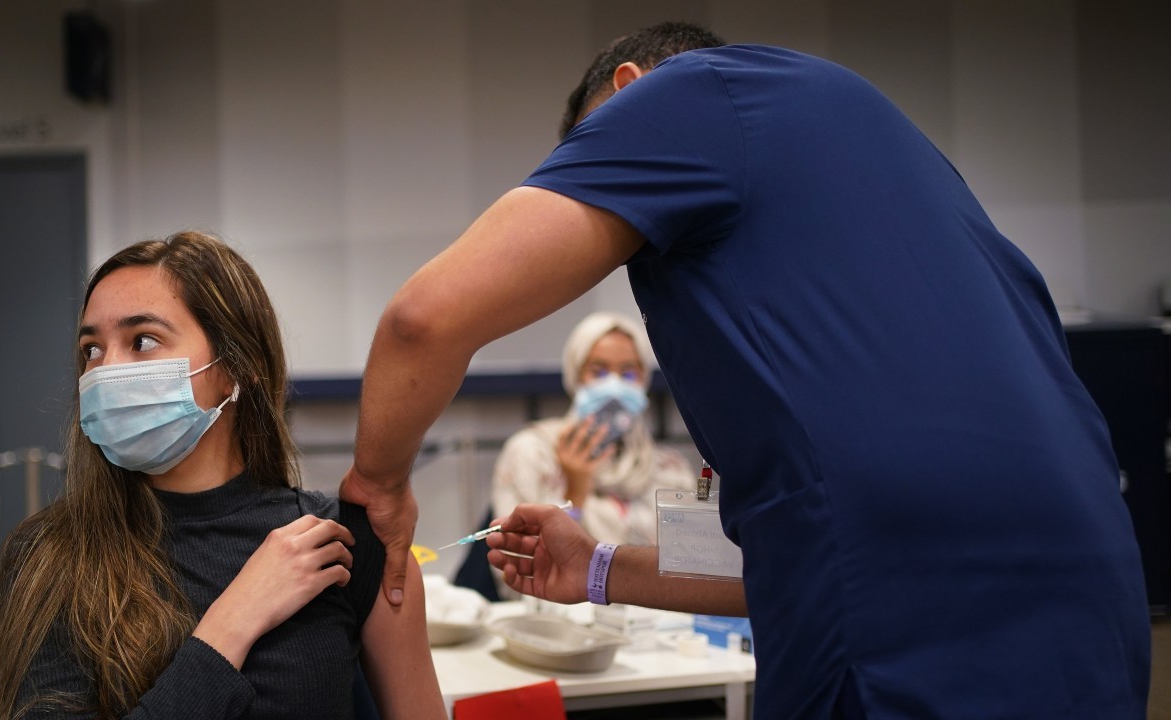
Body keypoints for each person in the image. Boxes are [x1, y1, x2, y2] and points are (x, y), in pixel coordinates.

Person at [341, 19, 1151, 719]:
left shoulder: (686, 96)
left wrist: (379, 487)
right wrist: (596, 566)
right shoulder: (894, 170)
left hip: (912, 620)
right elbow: (799, 552)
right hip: (1095, 602)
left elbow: (422, 320)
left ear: (628, 93)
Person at [0, 232, 444, 719]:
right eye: (91, 350)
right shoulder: (47, 556)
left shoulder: (345, 545)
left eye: (142, 341)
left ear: (238, 366)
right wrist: (233, 620)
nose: (105, 371)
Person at [491, 311, 692, 546]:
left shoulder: (669, 470)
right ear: (576, 375)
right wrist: (574, 491)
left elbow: (687, 563)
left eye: (628, 373)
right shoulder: (533, 452)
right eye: (599, 372)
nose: (614, 386)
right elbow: (522, 562)